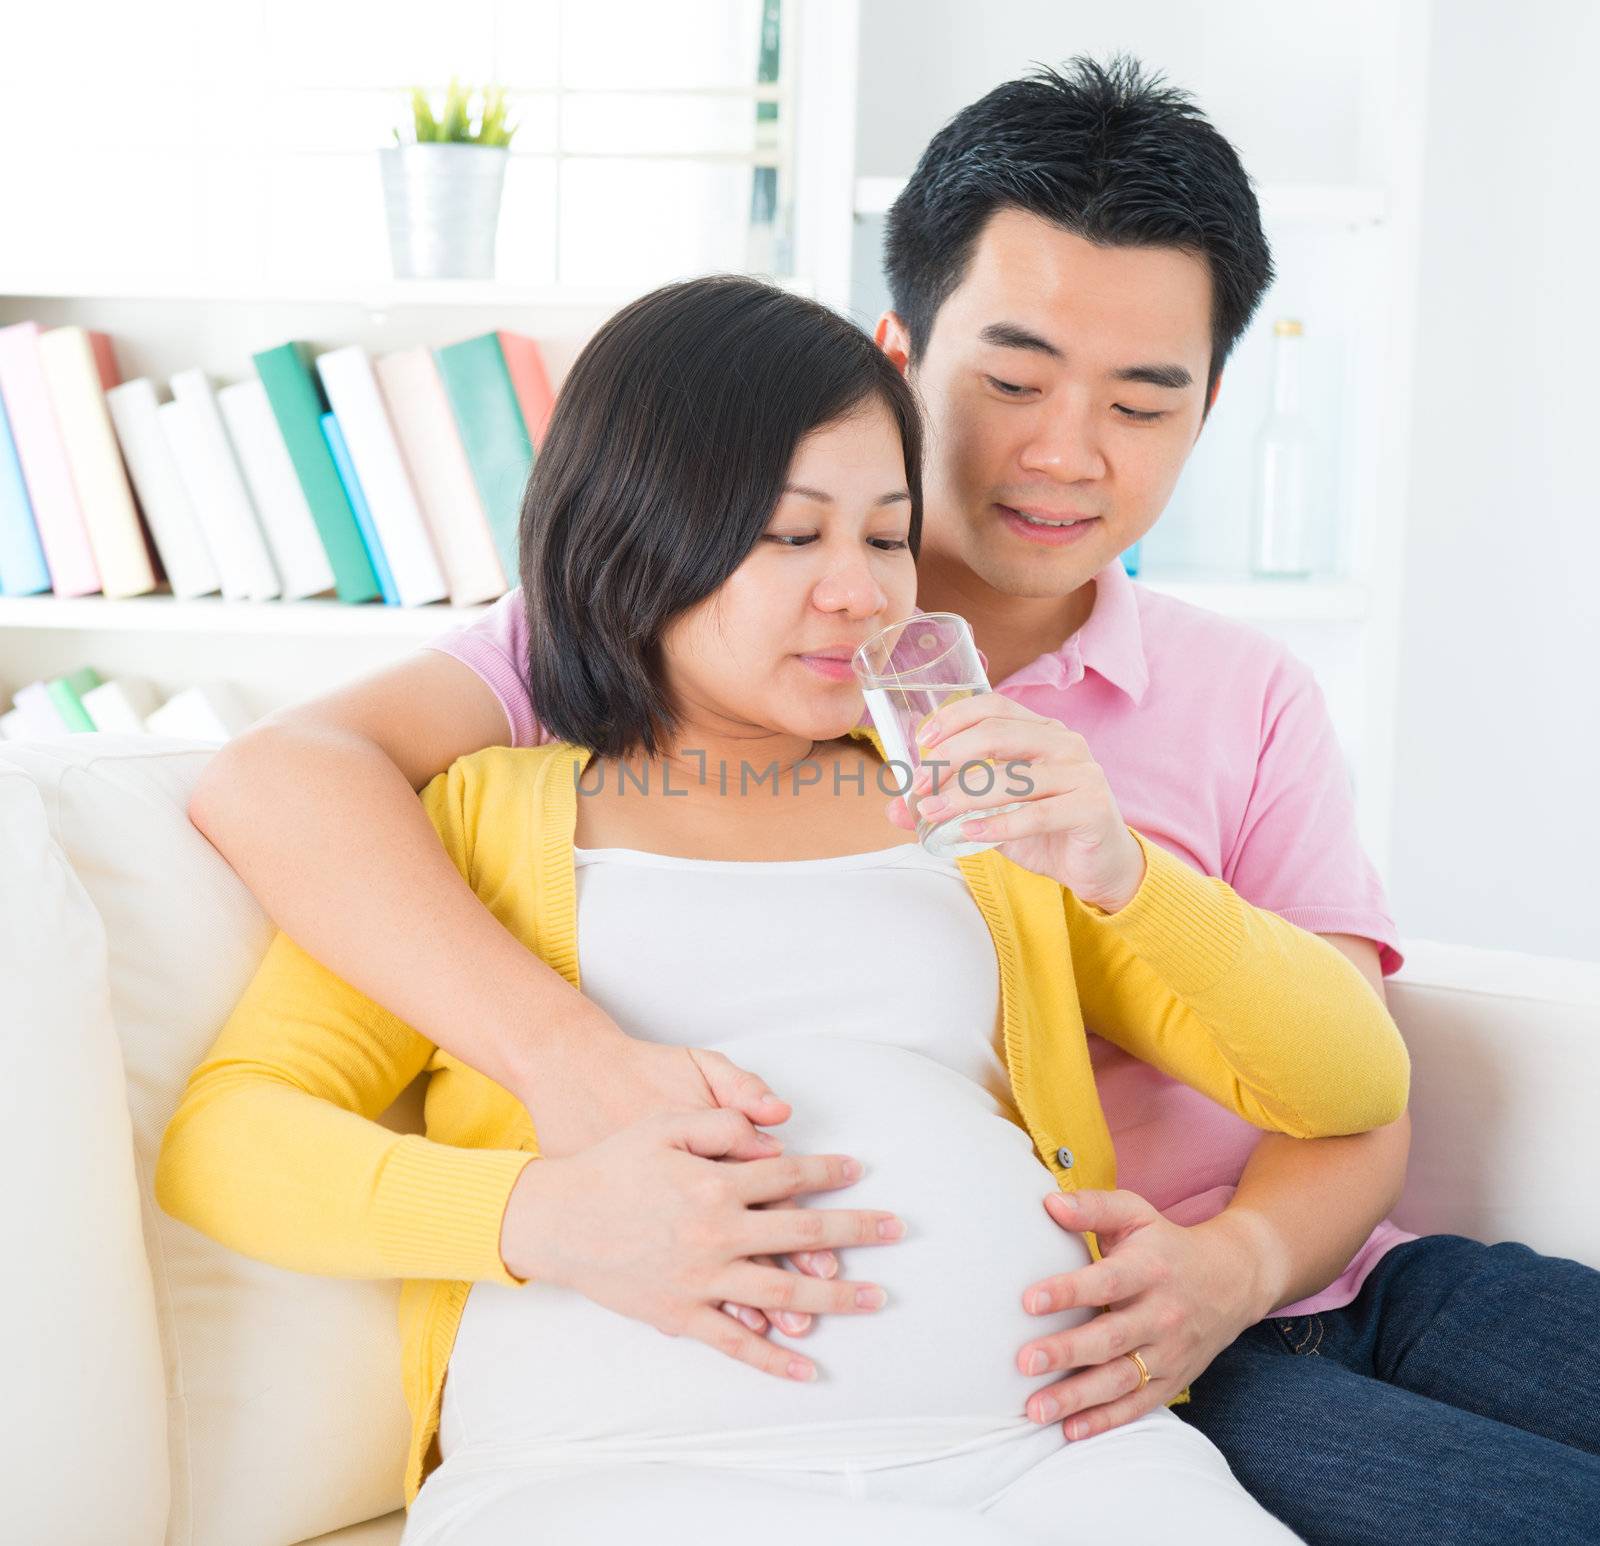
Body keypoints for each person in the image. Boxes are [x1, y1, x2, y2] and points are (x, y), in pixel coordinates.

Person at [184, 55, 1600, 1546]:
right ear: (901, 354)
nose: (1066, 449)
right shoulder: (528, 739)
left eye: (1140, 398)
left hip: (1239, 1312)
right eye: (1010, 380)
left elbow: (1354, 1079)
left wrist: (1228, 1233)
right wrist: (559, 1097)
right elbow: (279, 826)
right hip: (1088, 1371)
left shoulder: (1084, 773)